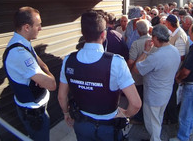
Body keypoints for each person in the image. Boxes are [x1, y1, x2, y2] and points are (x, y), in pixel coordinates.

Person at [58, 11, 141, 141]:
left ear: (83, 33)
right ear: (104, 34)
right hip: (108, 127)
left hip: (82, 124)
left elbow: (61, 96)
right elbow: (136, 104)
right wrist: (125, 114)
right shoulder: (116, 62)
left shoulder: (68, 60)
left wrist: (66, 113)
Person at [3, 6, 56, 141]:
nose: (40, 28)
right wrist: (49, 77)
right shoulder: (20, 53)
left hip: (38, 110)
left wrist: (43, 73)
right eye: (38, 25)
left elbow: (42, 65)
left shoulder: (24, 43)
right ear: (26, 27)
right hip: (34, 115)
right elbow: (51, 84)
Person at [132, 24, 181, 141]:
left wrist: (145, 51)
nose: (151, 39)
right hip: (166, 91)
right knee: (158, 118)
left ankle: (156, 139)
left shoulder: (156, 56)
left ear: (157, 38)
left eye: (153, 37)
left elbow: (136, 69)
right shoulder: (175, 51)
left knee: (152, 122)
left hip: (153, 95)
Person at [127, 19, 152, 124]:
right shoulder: (153, 42)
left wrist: (127, 71)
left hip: (137, 77)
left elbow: (131, 61)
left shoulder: (136, 44)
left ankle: (138, 118)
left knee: (138, 97)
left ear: (137, 31)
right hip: (150, 76)